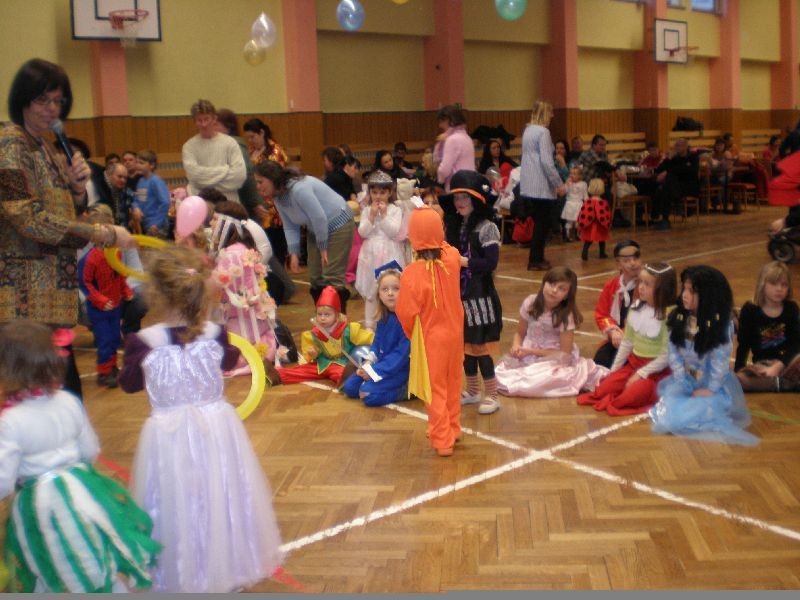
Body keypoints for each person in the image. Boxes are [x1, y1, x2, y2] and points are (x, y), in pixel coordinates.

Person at [119, 245, 283, 592]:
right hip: (216, 430)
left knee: (174, 498)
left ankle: (181, 571)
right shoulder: (215, 334)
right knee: (220, 491)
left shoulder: (143, 342)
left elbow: (129, 384)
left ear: (155, 294)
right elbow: (230, 361)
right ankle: (225, 564)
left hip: (169, 435)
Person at [0, 58, 134, 400]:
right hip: (22, 299)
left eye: (58, 101)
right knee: (42, 398)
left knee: (62, 398)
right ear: (23, 99)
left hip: (50, 297)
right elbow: (26, 217)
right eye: (42, 100)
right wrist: (102, 234)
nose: (52, 109)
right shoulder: (11, 144)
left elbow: (62, 214)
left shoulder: (44, 145)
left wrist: (76, 191)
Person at [0, 320, 159, 593]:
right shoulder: (68, 401)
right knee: (90, 552)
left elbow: (3, 481)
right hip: (83, 490)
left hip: (40, 504)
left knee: (53, 562)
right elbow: (90, 450)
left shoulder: (10, 421)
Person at [649, 265, 759, 446]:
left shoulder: (719, 325)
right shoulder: (678, 318)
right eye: (684, 289)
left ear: (708, 295)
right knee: (671, 412)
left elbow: (720, 362)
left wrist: (710, 389)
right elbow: (673, 351)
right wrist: (680, 378)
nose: (684, 295)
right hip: (686, 378)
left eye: (691, 291)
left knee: (700, 413)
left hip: (710, 382)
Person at [395, 207, 464, 457]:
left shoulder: (411, 273)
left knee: (434, 388)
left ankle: (442, 439)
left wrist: (411, 334)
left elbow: (405, 312)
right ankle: (453, 427)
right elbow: (443, 247)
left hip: (431, 338)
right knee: (453, 381)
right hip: (456, 333)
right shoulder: (453, 257)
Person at [440, 171, 503, 415]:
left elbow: (491, 263)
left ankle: (492, 395)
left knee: (481, 349)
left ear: (477, 200)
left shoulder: (487, 228)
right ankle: (473, 390)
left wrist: (464, 262)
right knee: (465, 348)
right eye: (457, 198)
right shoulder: (456, 227)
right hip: (460, 297)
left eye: (465, 197)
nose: (460, 202)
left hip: (481, 299)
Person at [254, 161, 356, 312]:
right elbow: (289, 225)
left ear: (272, 178)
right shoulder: (278, 196)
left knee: (332, 278)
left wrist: (323, 247)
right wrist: (294, 253)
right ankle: (324, 317)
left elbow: (319, 217)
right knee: (315, 278)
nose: (257, 186)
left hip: (338, 224)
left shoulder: (299, 189)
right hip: (317, 228)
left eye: (260, 182)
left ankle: (338, 321)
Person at [578, 262, 676, 415]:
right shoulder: (637, 307)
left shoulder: (671, 316)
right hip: (633, 364)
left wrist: (640, 374)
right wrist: (614, 371)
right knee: (602, 390)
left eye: (647, 284)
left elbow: (666, 356)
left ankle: (652, 391)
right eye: (640, 282)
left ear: (663, 289)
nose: (641, 287)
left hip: (657, 372)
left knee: (625, 400)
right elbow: (627, 343)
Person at [494, 266, 608, 397]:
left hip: (553, 356)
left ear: (567, 296)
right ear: (544, 283)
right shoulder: (530, 302)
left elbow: (564, 354)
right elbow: (520, 333)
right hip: (527, 352)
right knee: (499, 375)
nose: (554, 290)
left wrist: (530, 351)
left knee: (541, 379)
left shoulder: (566, 315)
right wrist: (516, 346)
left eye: (561, 289)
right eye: (551, 284)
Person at [210, 202, 280, 373]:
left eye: (215, 219)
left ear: (226, 224)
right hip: (251, 315)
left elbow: (217, 285)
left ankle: (246, 359)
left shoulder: (231, 253)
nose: (211, 223)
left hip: (244, 319)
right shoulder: (241, 248)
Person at [265, 286, 373, 387]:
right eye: (319, 314)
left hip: (343, 364)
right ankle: (276, 375)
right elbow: (310, 355)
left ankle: (351, 382)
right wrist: (313, 353)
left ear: (337, 316)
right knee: (303, 370)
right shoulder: (314, 334)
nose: (322, 318)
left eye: (327, 315)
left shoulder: (349, 330)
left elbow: (369, 338)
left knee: (340, 373)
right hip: (322, 363)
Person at [342, 262, 410, 406]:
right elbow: (376, 345)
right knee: (350, 387)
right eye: (385, 289)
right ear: (379, 294)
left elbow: (399, 356)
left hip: (400, 371)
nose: (390, 293)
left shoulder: (407, 321)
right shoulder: (384, 318)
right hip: (381, 367)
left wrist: (374, 371)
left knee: (368, 394)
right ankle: (375, 385)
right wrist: (368, 363)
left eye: (396, 288)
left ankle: (405, 391)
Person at [82, 204, 133, 388]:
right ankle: (104, 373)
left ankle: (112, 367)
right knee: (104, 340)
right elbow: (85, 284)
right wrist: (101, 301)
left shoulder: (115, 254)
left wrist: (125, 291)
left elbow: (119, 275)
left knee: (114, 338)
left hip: (115, 306)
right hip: (99, 310)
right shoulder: (91, 259)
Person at [734, 261, 800, 393]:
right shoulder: (750, 310)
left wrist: (778, 366)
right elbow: (743, 345)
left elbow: (796, 343)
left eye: (784, 285)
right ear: (762, 284)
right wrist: (738, 372)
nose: (779, 289)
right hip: (762, 366)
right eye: (774, 283)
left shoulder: (791, 308)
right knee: (741, 379)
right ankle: (787, 384)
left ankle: (779, 383)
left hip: (788, 362)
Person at [518, 100, 566, 271]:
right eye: (550, 112)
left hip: (529, 182)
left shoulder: (528, 130)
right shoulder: (543, 132)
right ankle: (535, 259)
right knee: (542, 224)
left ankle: (536, 257)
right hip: (541, 184)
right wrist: (558, 183)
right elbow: (546, 161)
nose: (552, 115)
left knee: (539, 222)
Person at [355, 171, 407, 328]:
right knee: (371, 293)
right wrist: (371, 216)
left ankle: (396, 325)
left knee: (391, 289)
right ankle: (370, 328)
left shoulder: (395, 210)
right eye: (374, 192)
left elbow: (393, 231)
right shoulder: (366, 210)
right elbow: (363, 232)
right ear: (369, 192)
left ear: (390, 193)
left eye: (382, 193)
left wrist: (384, 215)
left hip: (389, 253)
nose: (378, 196)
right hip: (370, 255)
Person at [181, 99, 246, 204]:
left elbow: (239, 177)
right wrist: (225, 170)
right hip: (201, 204)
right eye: (199, 120)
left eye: (206, 119)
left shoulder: (230, 143)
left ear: (214, 119)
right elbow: (194, 177)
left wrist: (203, 183)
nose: (203, 124)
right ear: (194, 122)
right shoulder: (189, 147)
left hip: (228, 203)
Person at [593, 240, 643, 368]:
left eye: (636, 258)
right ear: (618, 264)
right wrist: (612, 331)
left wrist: (623, 334)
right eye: (626, 260)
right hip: (618, 338)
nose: (633, 263)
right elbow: (602, 314)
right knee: (601, 359)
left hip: (640, 340)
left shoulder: (646, 286)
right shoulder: (612, 286)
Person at [216, 108, 266, 219]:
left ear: (227, 128)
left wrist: (255, 203)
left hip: (244, 207)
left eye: (216, 125)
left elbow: (246, 176)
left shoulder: (235, 147)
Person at [652, 137, 699, 229]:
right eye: (675, 146)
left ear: (685, 147)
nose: (676, 148)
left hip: (689, 186)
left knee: (665, 186)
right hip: (674, 186)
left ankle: (662, 218)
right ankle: (662, 218)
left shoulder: (693, 157)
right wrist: (668, 158)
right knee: (660, 188)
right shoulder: (674, 158)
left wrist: (667, 172)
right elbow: (659, 169)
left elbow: (689, 170)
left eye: (678, 146)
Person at [434, 104, 475, 191]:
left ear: (449, 120)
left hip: (456, 186)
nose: (440, 125)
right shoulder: (467, 138)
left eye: (441, 121)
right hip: (470, 184)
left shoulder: (452, 140)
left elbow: (445, 169)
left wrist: (440, 179)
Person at [131, 149, 170, 238]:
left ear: (152, 165)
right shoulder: (140, 181)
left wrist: (156, 223)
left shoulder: (156, 181)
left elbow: (165, 203)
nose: (137, 165)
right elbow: (136, 199)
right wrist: (136, 207)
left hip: (157, 226)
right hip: (146, 223)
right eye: (136, 162)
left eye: (141, 163)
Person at [577, 178, 611, 261]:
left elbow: (583, 213)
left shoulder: (587, 202)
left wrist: (579, 222)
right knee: (602, 239)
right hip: (600, 225)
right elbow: (607, 214)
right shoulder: (604, 202)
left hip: (589, 225)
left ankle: (584, 252)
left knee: (588, 240)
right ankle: (602, 253)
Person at [561, 165, 588, 241]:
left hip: (579, 204)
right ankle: (567, 235)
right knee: (569, 220)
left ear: (580, 176)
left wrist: (587, 202)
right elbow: (564, 191)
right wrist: (566, 184)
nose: (571, 175)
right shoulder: (569, 183)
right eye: (571, 173)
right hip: (570, 204)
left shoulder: (583, 184)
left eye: (574, 174)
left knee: (578, 220)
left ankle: (577, 234)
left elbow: (585, 195)